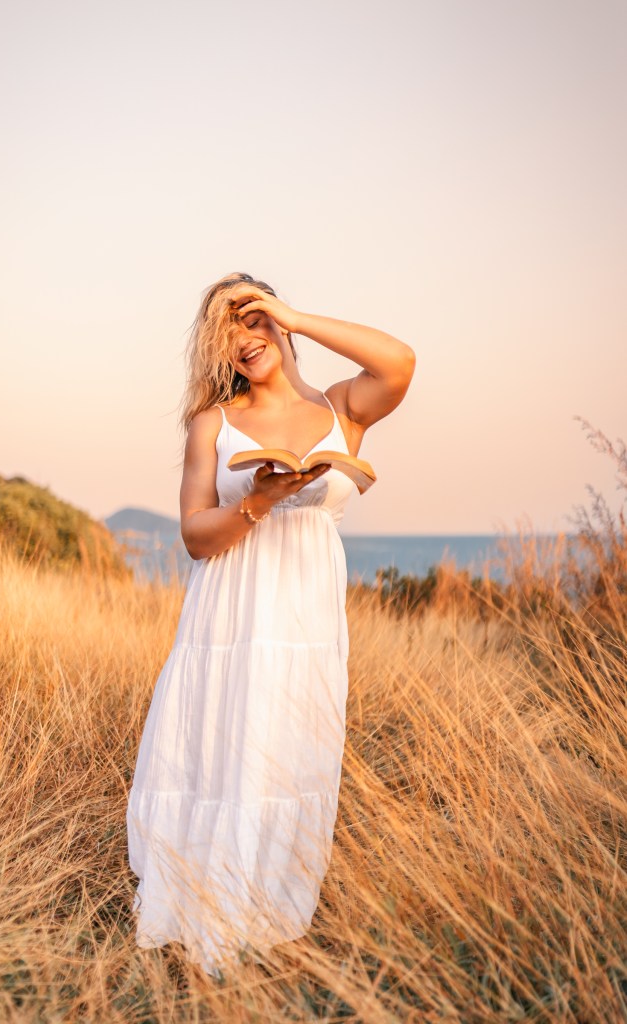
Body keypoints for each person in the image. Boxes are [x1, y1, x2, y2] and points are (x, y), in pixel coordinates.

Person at [126, 272, 416, 976]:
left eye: (252, 319)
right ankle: (202, 908)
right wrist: (256, 501)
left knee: (289, 756)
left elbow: (399, 362)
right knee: (218, 754)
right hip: (229, 616)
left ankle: (266, 912)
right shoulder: (212, 423)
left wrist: (293, 315)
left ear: (278, 323)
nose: (243, 338)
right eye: (226, 330)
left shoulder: (341, 406)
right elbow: (195, 536)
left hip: (305, 624)